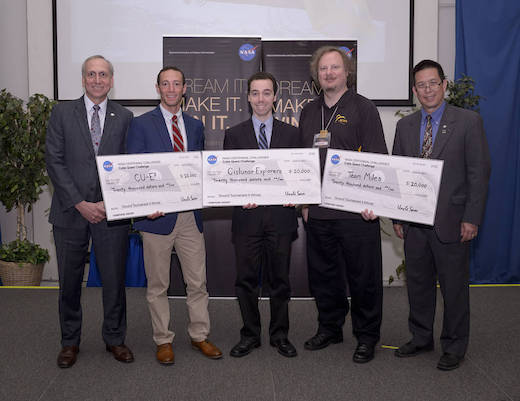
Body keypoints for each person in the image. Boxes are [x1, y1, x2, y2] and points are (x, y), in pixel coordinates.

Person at [392, 59, 491, 371]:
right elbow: (398, 173)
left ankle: (454, 344)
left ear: (444, 84)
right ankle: (421, 337)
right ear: (414, 90)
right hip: (415, 222)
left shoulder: (468, 122)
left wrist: (472, 217)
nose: (428, 89)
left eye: (433, 83)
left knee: (454, 288)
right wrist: (397, 216)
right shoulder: (405, 126)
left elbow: (479, 173)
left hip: (452, 221)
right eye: (421, 85)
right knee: (418, 284)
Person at [126, 66, 222, 365]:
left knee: (198, 282)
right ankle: (163, 340)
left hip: (189, 217)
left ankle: (199, 335)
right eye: (165, 84)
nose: (171, 89)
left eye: (176, 84)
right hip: (156, 219)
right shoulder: (140, 125)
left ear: (184, 89)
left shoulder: (195, 126)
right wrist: (145, 205)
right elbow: (134, 170)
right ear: (157, 88)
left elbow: (199, 169)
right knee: (158, 285)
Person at [299, 46, 387, 363]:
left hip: (356, 211)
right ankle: (330, 327)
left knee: (363, 276)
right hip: (319, 211)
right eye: (323, 69)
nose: (329, 73)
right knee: (324, 275)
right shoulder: (309, 111)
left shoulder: (364, 108)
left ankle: (366, 336)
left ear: (346, 71)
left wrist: (373, 201)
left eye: (335, 67)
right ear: (316, 74)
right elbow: (304, 162)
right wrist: (305, 203)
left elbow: (377, 159)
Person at [46, 55, 134, 368]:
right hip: (71, 213)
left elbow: (128, 166)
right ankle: (69, 342)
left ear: (111, 80)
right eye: (91, 74)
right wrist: (81, 203)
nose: (97, 80)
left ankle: (115, 338)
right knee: (69, 283)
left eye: (103, 75)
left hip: (112, 213)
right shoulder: (61, 113)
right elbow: (54, 161)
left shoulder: (124, 116)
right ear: (83, 79)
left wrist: (108, 203)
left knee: (114, 280)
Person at [223, 72, 300, 358]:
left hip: (280, 219)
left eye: (267, 93)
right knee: (245, 280)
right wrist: (239, 195)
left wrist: (296, 194)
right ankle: (250, 335)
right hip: (247, 221)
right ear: (248, 97)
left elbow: (298, 175)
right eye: (255, 93)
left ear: (276, 97)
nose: (261, 99)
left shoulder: (292, 134)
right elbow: (229, 178)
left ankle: (280, 335)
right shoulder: (234, 134)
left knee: (280, 280)